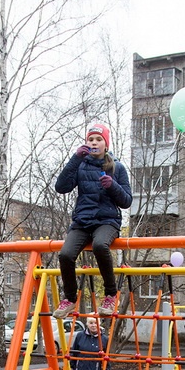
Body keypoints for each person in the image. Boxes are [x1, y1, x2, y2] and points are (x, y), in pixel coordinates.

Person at [53, 122, 132, 319]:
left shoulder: (117, 167)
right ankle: (70, 299)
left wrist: (112, 186)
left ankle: (111, 294)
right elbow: (61, 187)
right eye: (91, 139)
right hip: (83, 221)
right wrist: (74, 159)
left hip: (107, 221)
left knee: (99, 246)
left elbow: (126, 201)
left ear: (106, 144)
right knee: (65, 254)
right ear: (86, 143)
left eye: (99, 139)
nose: (94, 143)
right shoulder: (80, 165)